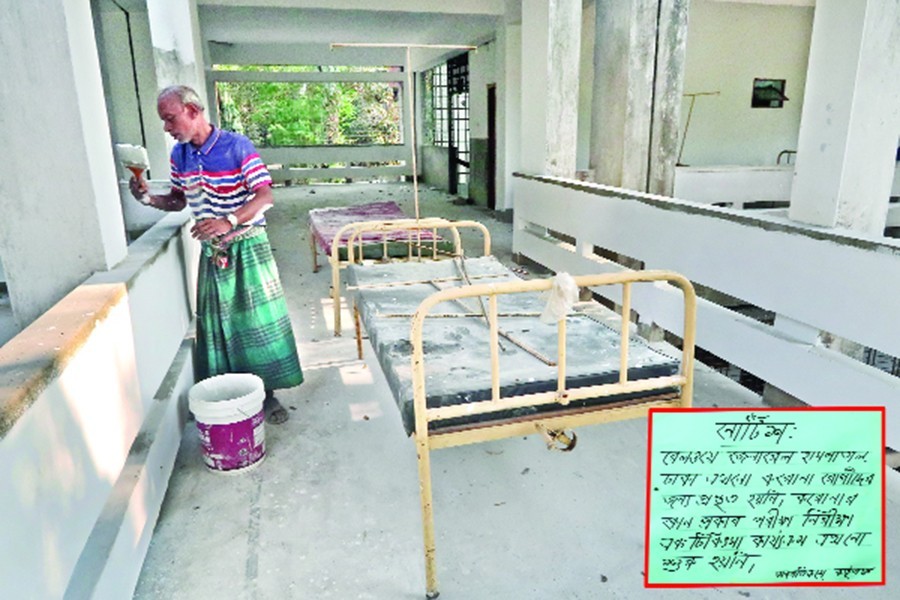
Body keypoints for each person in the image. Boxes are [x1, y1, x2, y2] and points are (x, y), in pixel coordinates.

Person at [130, 84, 302, 424]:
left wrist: (229, 220)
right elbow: (179, 200)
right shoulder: (180, 155)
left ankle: (266, 394)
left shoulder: (236, 146)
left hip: (248, 244)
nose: (166, 127)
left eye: (169, 118)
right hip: (213, 252)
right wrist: (148, 198)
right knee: (219, 325)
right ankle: (234, 392)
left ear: (193, 112)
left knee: (256, 322)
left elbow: (265, 195)